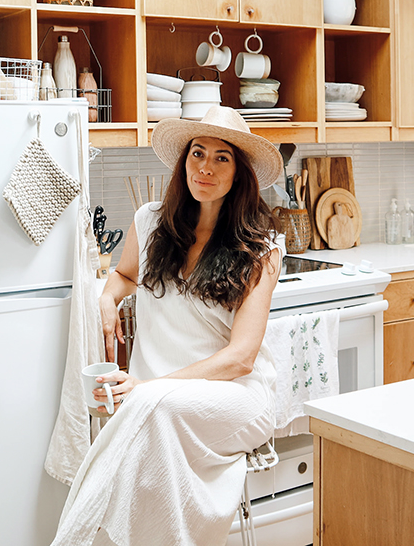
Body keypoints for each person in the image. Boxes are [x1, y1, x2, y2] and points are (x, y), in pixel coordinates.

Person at [51, 106, 285, 546]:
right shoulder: (151, 222)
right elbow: (124, 275)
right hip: (156, 400)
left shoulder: (261, 249)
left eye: (222, 158)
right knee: (150, 419)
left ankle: (73, 539)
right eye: (198, 153)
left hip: (235, 399)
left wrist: (148, 387)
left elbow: (241, 359)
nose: (205, 167)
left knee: (150, 409)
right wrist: (107, 296)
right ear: (183, 161)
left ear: (240, 173)